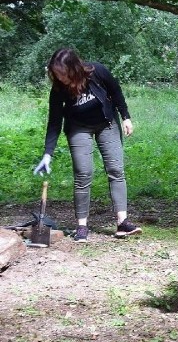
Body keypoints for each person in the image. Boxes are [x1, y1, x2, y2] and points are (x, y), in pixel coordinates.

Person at [33, 48, 139, 242]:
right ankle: (82, 226)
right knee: (83, 174)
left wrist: (126, 117)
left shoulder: (97, 71)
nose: (60, 77)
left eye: (62, 73)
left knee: (116, 169)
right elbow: (54, 122)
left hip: (107, 124)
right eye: (56, 73)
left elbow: (116, 92)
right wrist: (48, 153)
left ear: (74, 68)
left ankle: (122, 223)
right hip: (78, 128)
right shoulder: (58, 89)